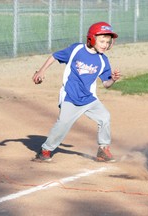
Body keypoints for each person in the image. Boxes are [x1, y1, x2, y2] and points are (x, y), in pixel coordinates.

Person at [32, 22, 120, 163]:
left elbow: (106, 84)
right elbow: (55, 56)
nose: (105, 44)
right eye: (102, 41)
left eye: (107, 42)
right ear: (91, 39)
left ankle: (103, 150)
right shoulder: (76, 49)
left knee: (104, 117)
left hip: (89, 98)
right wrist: (42, 70)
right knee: (63, 124)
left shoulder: (103, 60)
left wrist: (113, 79)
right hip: (70, 97)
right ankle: (46, 149)